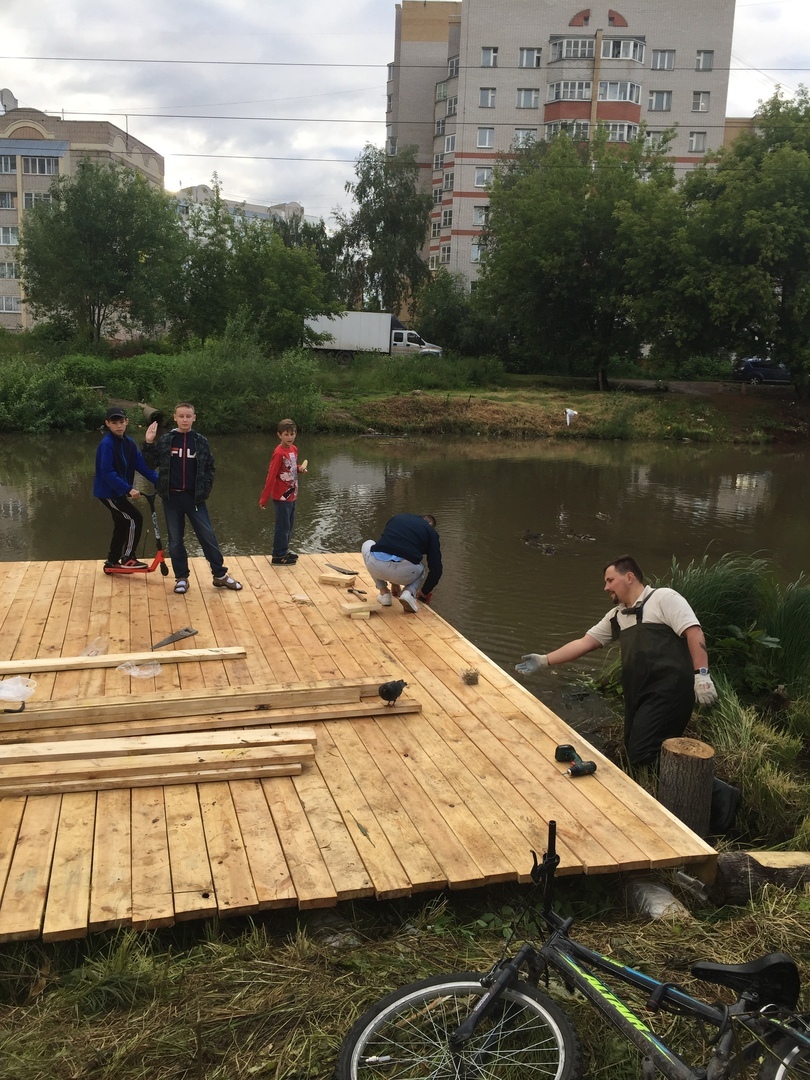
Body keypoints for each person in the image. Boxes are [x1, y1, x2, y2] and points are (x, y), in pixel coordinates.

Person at [515, 555, 718, 766]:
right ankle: (673, 785)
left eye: (610, 580)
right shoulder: (617, 616)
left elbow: (694, 633)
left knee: (642, 753)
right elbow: (584, 643)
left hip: (669, 692)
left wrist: (702, 676)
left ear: (629, 577)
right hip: (638, 694)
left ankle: (711, 790)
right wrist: (545, 660)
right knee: (634, 752)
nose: (605, 587)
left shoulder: (664, 598)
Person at [143, 402, 242, 595]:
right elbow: (150, 464)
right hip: (171, 499)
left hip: (195, 499)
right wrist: (148, 442)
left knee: (208, 537)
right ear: (175, 417)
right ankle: (181, 578)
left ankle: (219, 575)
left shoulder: (201, 441)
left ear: (194, 418)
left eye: (188, 416)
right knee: (175, 541)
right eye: (181, 416)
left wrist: (204, 489)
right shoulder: (166, 440)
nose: (185, 420)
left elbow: (210, 467)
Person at [94, 406, 159, 571]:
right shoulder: (107, 444)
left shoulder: (129, 443)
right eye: (114, 422)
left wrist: (161, 483)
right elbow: (107, 472)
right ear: (107, 424)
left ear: (127, 422)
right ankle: (128, 558)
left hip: (119, 492)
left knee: (122, 523)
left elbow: (143, 467)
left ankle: (112, 561)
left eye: (121, 422)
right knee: (134, 518)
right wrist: (128, 489)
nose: (118, 426)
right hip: (109, 493)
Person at [362, 513, 442, 613]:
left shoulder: (397, 518)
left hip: (376, 566)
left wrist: (394, 582)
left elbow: (391, 546)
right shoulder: (431, 532)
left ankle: (384, 593)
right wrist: (424, 592)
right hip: (406, 572)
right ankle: (408, 593)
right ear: (430, 525)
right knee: (421, 568)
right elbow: (436, 570)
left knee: (367, 544)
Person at [258, 419, 307, 566]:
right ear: (279, 435)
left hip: (292, 493)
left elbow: (291, 466)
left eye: (292, 434)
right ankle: (278, 555)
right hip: (281, 496)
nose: (290, 437)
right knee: (283, 526)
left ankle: (284, 550)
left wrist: (299, 469)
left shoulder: (294, 449)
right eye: (286, 434)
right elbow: (271, 475)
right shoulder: (279, 453)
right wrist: (264, 498)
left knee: (289, 525)